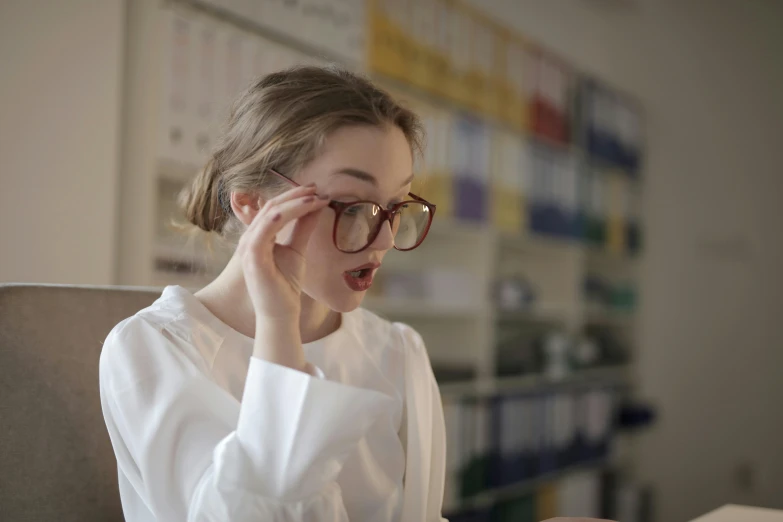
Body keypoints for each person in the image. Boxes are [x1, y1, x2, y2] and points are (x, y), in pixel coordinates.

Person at [100, 66, 445, 522]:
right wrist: (279, 327)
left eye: (396, 206)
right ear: (253, 204)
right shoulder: (150, 349)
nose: (382, 241)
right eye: (355, 206)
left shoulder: (399, 350)